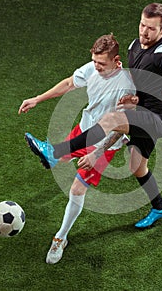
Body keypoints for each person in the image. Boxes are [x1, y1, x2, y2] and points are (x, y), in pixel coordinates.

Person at [25, 3, 162, 231]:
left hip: (158, 119)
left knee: (112, 119)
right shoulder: (135, 46)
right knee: (136, 166)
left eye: (151, 28)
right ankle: (160, 207)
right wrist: (137, 100)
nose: (144, 31)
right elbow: (144, 83)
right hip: (142, 111)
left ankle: (55, 152)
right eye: (142, 24)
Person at [19, 34, 136, 264]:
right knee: (61, 159)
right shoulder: (93, 68)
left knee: (77, 188)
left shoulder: (127, 85)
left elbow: (122, 127)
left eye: (102, 64)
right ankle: (52, 154)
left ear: (116, 60)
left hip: (104, 144)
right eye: (94, 62)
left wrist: (98, 152)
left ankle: (60, 238)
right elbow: (69, 83)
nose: (96, 67)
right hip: (82, 130)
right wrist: (37, 99)